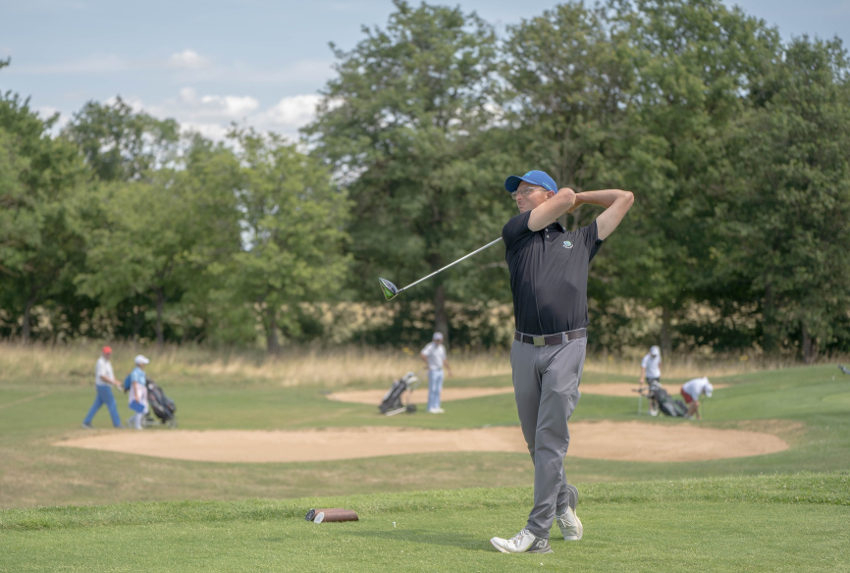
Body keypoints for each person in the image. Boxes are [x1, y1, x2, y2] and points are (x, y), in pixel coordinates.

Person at [490, 169, 633, 554]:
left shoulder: (582, 240)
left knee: (551, 439)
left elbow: (625, 198)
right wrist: (564, 198)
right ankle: (564, 500)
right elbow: (558, 201)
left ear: (548, 193)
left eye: (526, 191)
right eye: (515, 193)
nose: (518, 198)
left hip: (567, 347)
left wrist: (580, 198)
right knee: (536, 443)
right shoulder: (516, 232)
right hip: (523, 348)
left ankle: (537, 533)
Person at [82, 346, 124, 428]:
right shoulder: (101, 362)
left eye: (109, 353)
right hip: (103, 386)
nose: (108, 355)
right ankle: (117, 424)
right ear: (103, 353)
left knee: (96, 405)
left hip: (106, 386)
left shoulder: (108, 362)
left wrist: (117, 382)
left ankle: (86, 422)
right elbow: (102, 376)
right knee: (112, 404)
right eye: (107, 353)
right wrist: (114, 382)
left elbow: (110, 376)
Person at [420, 331, 451, 414]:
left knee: (438, 389)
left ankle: (437, 406)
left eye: (439, 340)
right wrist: (428, 364)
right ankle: (430, 407)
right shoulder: (430, 347)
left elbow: (444, 359)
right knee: (432, 389)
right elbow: (423, 354)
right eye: (436, 340)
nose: (438, 341)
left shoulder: (442, 348)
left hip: (440, 370)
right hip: (433, 370)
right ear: (434, 339)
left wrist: (448, 370)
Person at [127, 355, 151, 430]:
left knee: (145, 409)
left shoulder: (141, 372)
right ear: (139, 363)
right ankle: (137, 425)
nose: (144, 365)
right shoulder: (135, 372)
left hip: (142, 389)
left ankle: (130, 420)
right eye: (143, 363)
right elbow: (134, 383)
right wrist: (136, 395)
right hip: (137, 390)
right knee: (139, 408)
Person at [639, 345, 662, 416]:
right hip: (649, 377)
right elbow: (643, 368)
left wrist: (660, 373)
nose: (654, 356)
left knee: (656, 392)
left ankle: (656, 408)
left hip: (657, 376)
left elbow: (659, 364)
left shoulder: (658, 356)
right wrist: (642, 378)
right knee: (652, 391)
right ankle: (651, 409)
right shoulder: (646, 358)